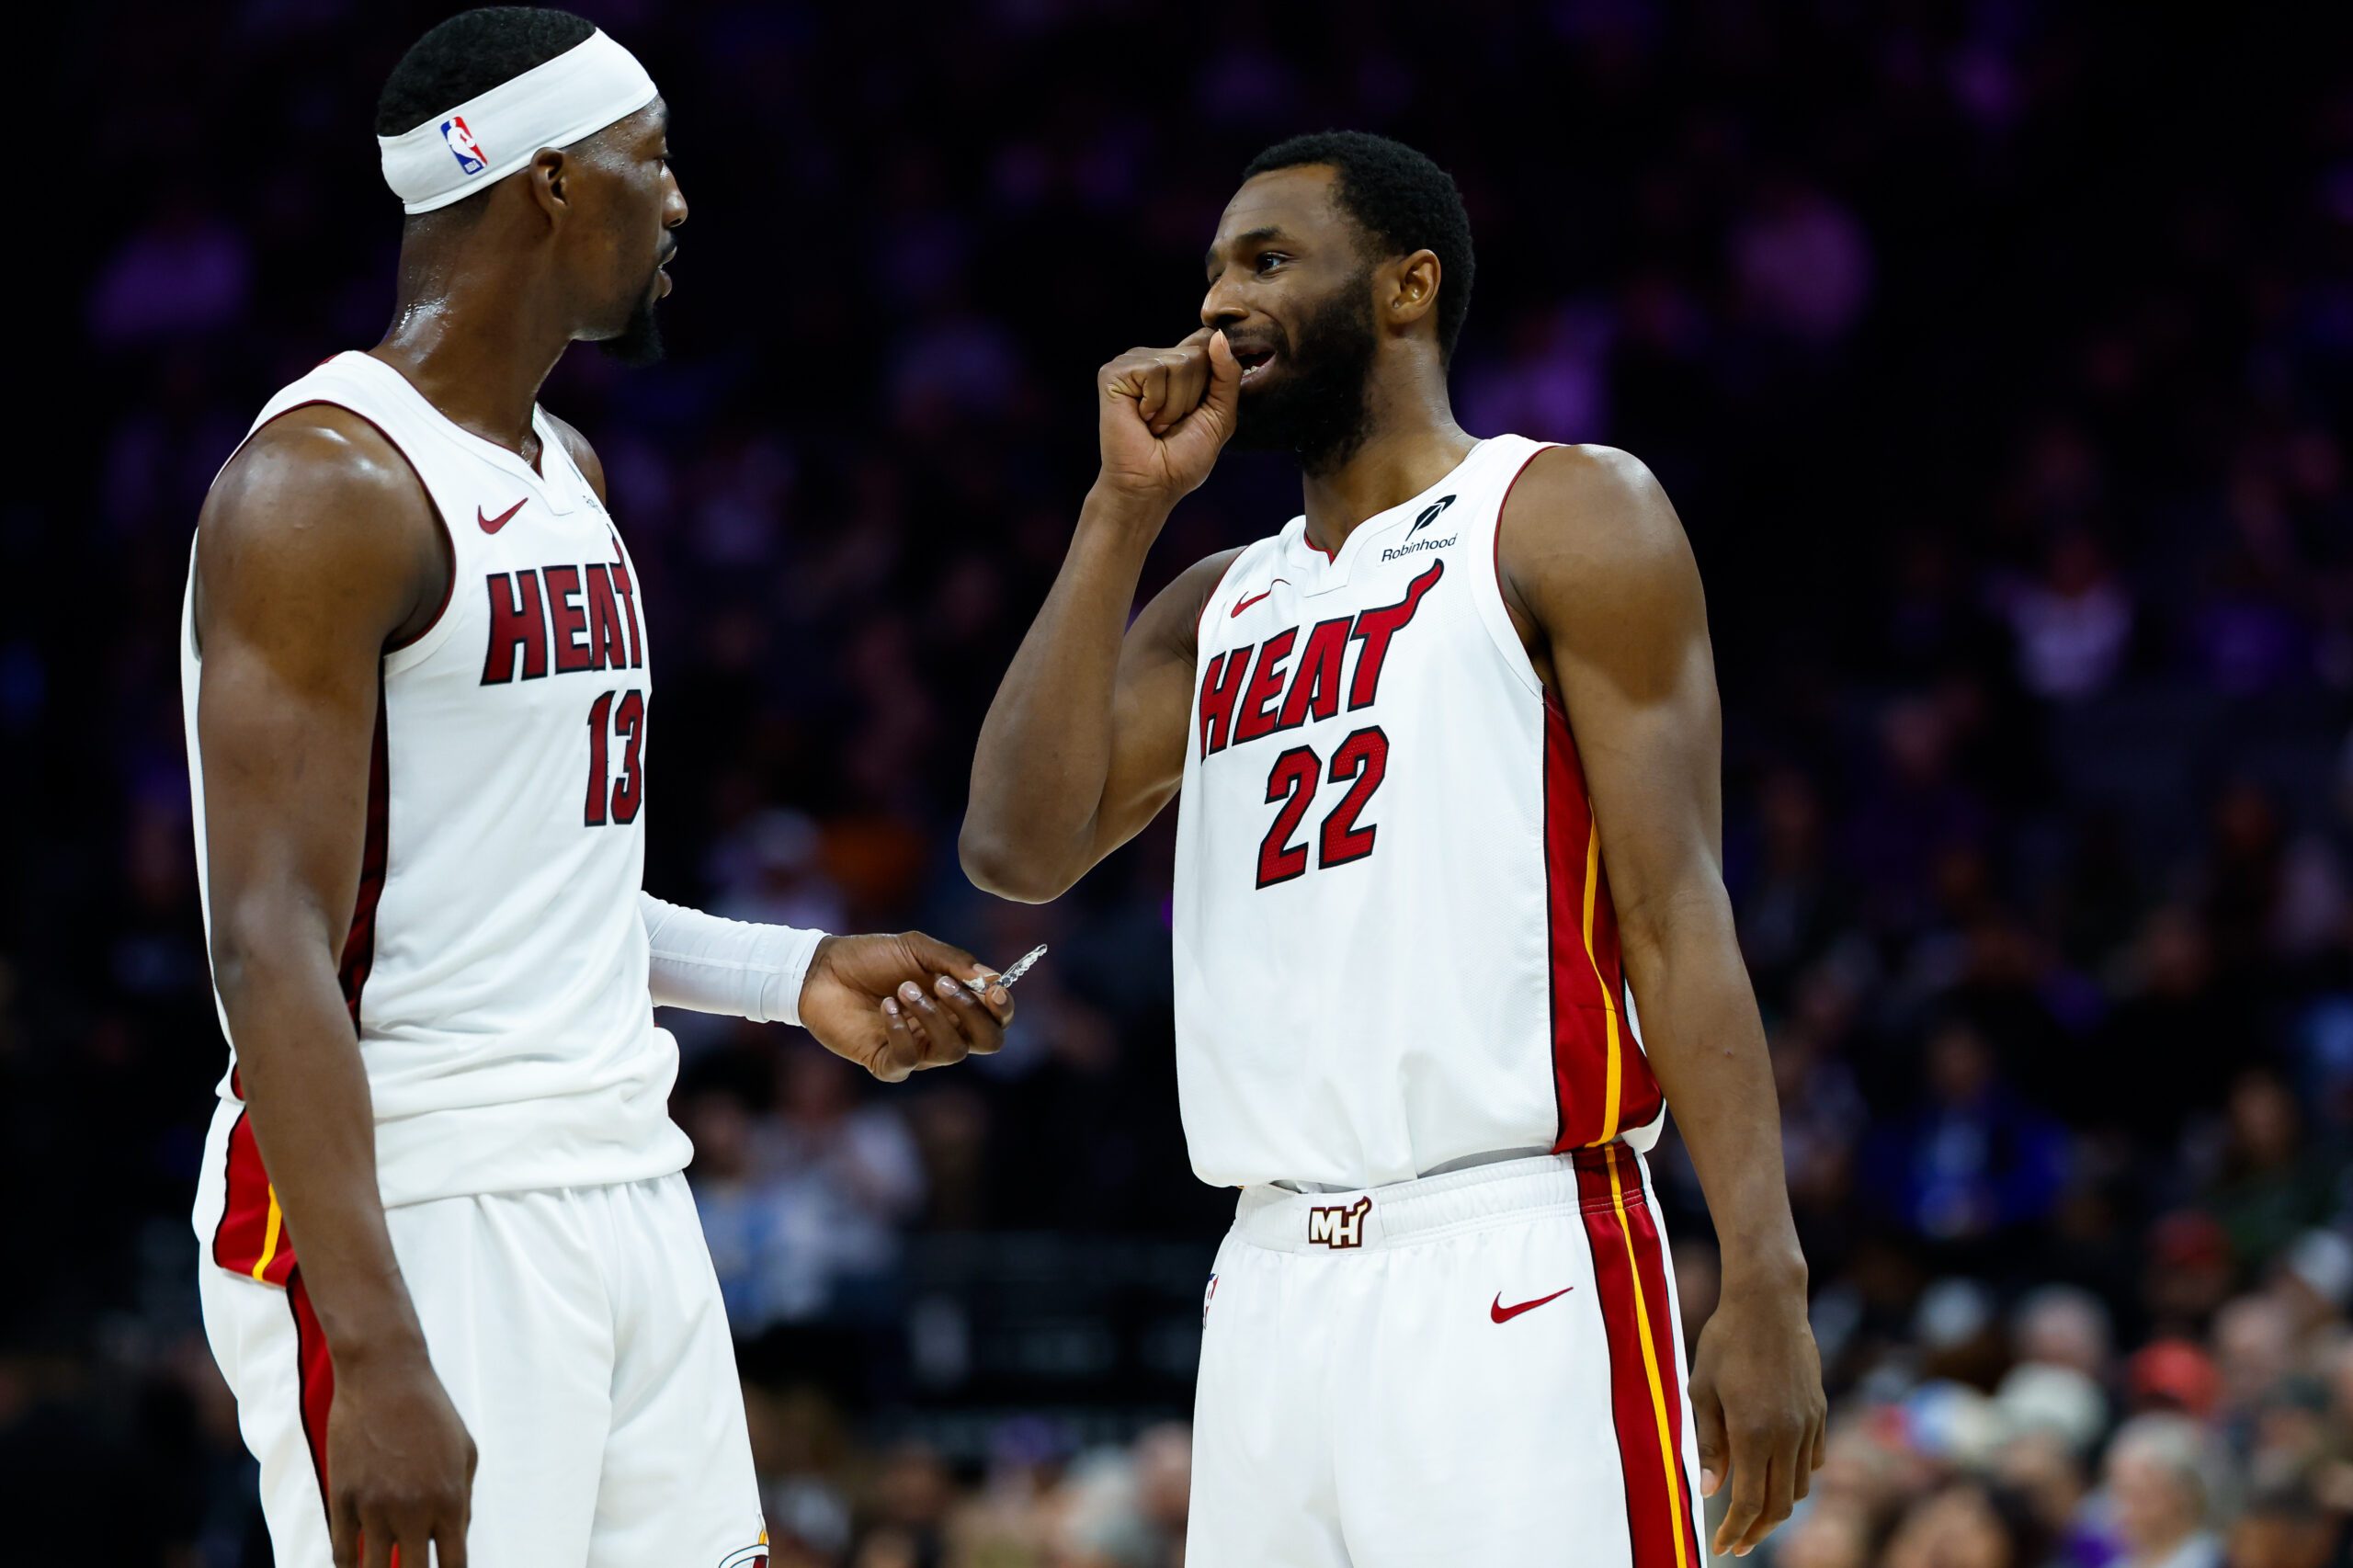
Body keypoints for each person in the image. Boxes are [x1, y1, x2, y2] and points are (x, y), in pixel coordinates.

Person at [183, 9, 1013, 1564]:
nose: (679, 200)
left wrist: (792, 977)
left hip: (625, 1174)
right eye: (653, 160)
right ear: (551, 180)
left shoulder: (571, 470)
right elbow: (269, 938)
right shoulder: (322, 486)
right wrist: (375, 1344)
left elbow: (535, 899)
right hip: (424, 1199)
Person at [963, 131, 1825, 1563]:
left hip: (1513, 1248)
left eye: (1268, 260)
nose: (1220, 301)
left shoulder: (1561, 512)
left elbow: (1678, 914)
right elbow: (1014, 845)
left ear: (1408, 285)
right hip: (1268, 1279)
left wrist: (1763, 1268)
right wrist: (1124, 509)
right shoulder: (1215, 601)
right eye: (1213, 270)